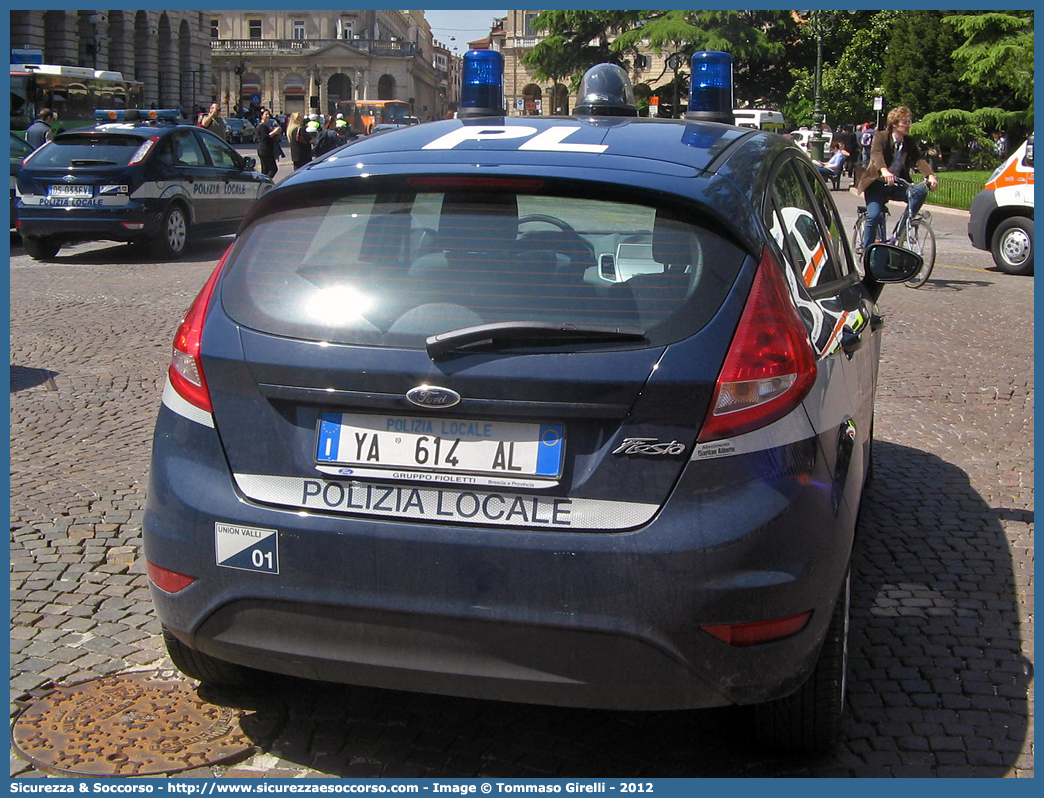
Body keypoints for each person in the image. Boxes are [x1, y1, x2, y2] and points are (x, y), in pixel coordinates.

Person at [856, 106, 938, 253]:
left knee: (919, 192)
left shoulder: (909, 141)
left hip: (897, 184)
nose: (909, 125)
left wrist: (930, 175)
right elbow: (876, 154)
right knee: (873, 216)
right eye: (905, 122)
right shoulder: (881, 136)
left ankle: (901, 231)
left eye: (910, 121)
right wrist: (884, 170)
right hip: (877, 184)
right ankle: (867, 250)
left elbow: (918, 159)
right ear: (894, 124)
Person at [254, 108, 283, 179]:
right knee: (273, 169)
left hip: (263, 150)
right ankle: (266, 182)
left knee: (265, 170)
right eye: (265, 114)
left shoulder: (262, 125)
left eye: (268, 114)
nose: (268, 116)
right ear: (262, 116)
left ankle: (263, 183)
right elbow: (265, 137)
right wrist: (274, 132)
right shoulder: (263, 126)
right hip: (265, 150)